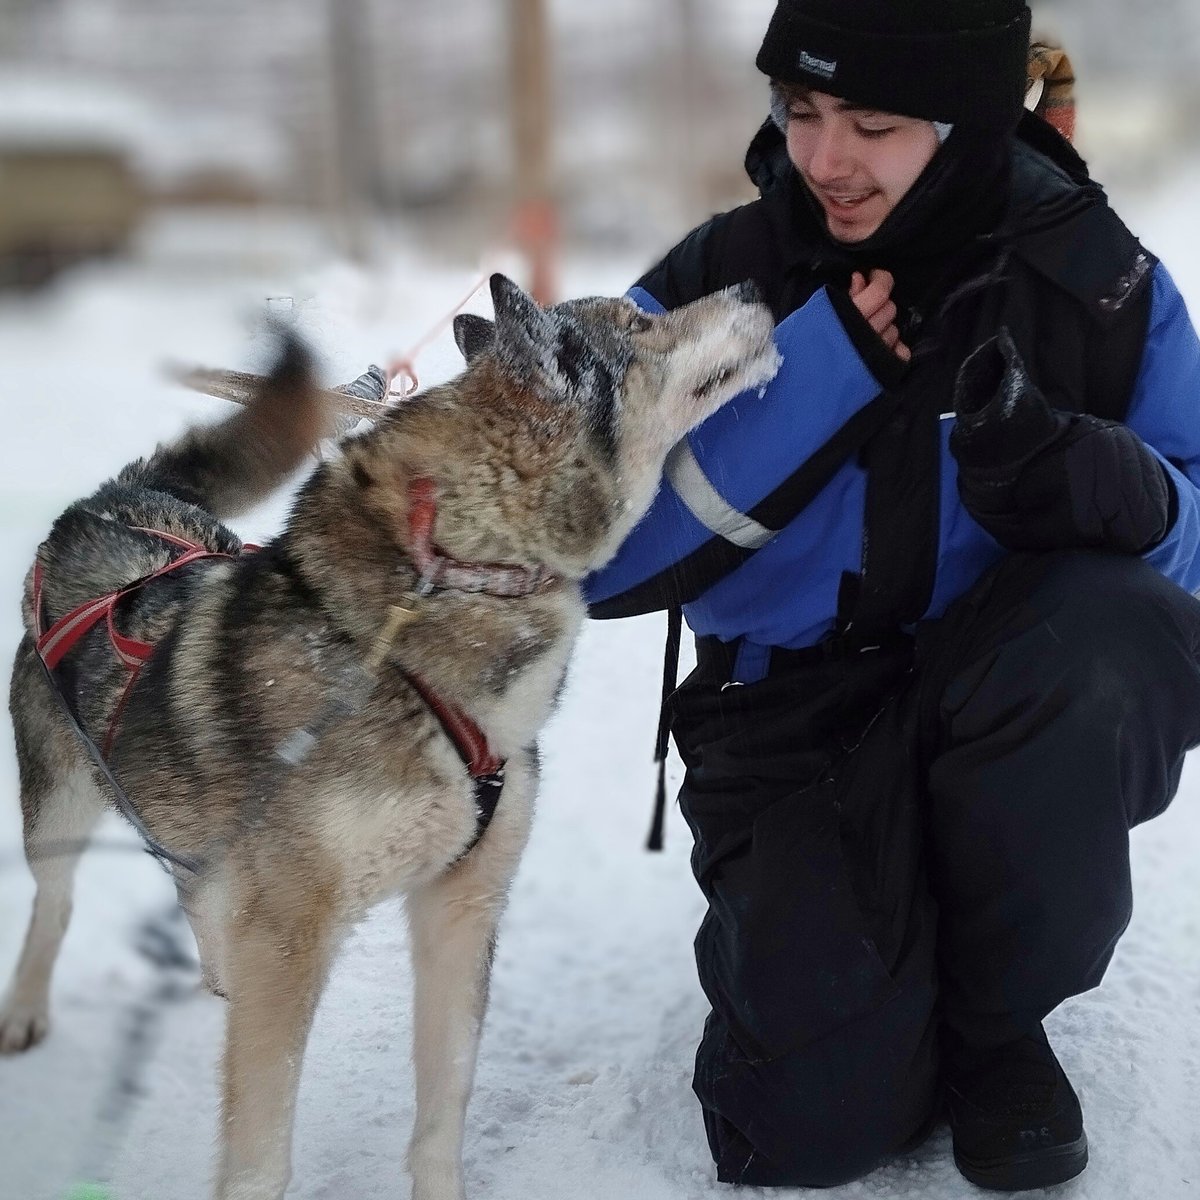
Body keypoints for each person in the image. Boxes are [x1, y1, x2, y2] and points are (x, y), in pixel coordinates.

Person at [585, 0, 1200, 1191]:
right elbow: (596, 558)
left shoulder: (1098, 284)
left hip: (1000, 698)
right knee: (804, 1133)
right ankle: (868, 965)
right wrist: (818, 376)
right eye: (801, 111)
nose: (825, 159)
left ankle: (994, 1025)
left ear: (967, 123)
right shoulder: (721, 281)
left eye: (873, 122)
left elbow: (1190, 552)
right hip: (787, 729)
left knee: (1109, 634)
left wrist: (1110, 488)